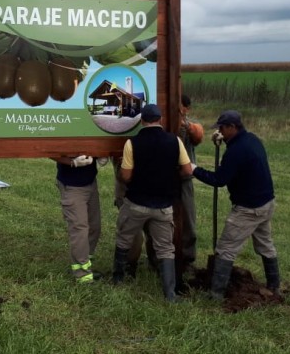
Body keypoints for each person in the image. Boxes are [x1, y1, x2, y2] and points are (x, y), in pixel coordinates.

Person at [192, 110, 280, 300]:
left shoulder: (237, 151)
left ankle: (216, 295)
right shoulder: (252, 140)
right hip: (266, 203)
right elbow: (239, 159)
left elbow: (219, 180)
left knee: (225, 249)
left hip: (249, 209)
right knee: (265, 245)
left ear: (233, 127)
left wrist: (194, 170)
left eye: (222, 128)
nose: (220, 131)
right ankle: (274, 285)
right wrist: (222, 141)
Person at [111, 104, 193, 302]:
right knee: (166, 249)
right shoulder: (175, 141)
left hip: (136, 204)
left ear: (142, 121)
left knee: (124, 239)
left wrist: (123, 175)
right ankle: (170, 293)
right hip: (163, 206)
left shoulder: (132, 143)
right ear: (160, 120)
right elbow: (188, 171)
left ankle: (118, 280)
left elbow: (126, 176)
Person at [53, 153, 102, 283]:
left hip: (90, 182)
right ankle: (82, 274)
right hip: (72, 186)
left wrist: (102, 154)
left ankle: (86, 263)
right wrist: (71, 162)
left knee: (94, 227)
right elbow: (48, 151)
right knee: (79, 229)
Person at [178, 94, 204, 271]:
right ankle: (159, 259)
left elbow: (198, 136)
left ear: (187, 108)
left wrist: (185, 124)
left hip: (184, 179)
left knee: (188, 221)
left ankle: (187, 259)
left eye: (180, 107)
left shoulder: (190, 125)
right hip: (163, 179)